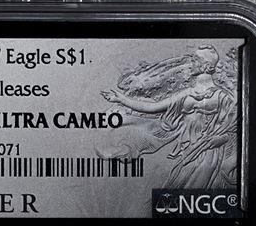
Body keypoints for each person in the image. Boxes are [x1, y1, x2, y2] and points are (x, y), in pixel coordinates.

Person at [100, 45, 239, 190]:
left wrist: (220, 139)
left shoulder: (222, 96)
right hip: (187, 152)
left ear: (207, 66)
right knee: (177, 189)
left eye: (194, 59)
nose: (190, 63)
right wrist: (122, 99)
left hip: (210, 154)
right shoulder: (186, 93)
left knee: (193, 191)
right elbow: (153, 107)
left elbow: (233, 129)